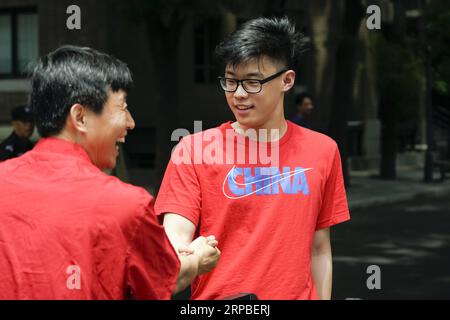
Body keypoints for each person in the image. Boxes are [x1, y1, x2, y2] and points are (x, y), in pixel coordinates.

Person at [0, 45, 220, 300]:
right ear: (80, 117)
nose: (131, 122)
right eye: (122, 107)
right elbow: (167, 279)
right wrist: (198, 260)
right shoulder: (126, 205)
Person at [155, 17, 350, 300]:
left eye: (253, 82)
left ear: (287, 80)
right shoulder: (192, 150)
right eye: (231, 82)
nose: (239, 94)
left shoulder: (323, 151)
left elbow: (319, 249)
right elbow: (175, 242)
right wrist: (185, 257)